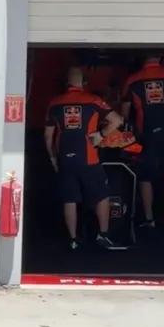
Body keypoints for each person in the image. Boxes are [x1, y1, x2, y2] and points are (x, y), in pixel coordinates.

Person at [45, 66, 122, 250]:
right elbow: (117, 120)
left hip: (65, 159)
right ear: (84, 82)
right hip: (89, 159)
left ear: (66, 83)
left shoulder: (54, 103)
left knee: (69, 199)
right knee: (102, 195)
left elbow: (48, 136)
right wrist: (101, 135)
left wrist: (53, 158)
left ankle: (73, 240)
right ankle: (103, 235)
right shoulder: (93, 100)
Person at [120, 53, 164, 232]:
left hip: (144, 135)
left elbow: (123, 114)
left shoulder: (132, 80)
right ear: (161, 57)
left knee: (145, 177)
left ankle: (149, 219)